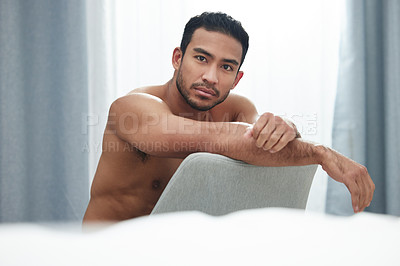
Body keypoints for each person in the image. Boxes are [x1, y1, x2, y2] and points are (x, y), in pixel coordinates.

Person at [83, 12, 374, 223]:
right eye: (201, 58)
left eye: (226, 67)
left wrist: (287, 129)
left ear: (237, 78)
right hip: (108, 251)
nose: (210, 77)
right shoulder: (133, 108)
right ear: (177, 58)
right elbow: (219, 139)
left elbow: (262, 143)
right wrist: (319, 152)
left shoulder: (237, 107)